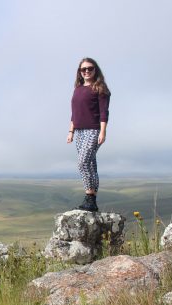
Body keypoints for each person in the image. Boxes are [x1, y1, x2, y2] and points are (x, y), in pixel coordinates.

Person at [67, 57, 111, 212]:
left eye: (90, 68)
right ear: (79, 72)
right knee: (91, 163)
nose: (86, 71)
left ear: (95, 70)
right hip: (78, 131)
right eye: (83, 69)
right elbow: (75, 113)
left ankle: (89, 195)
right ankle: (92, 201)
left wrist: (103, 132)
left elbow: (104, 113)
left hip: (93, 130)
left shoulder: (100, 88)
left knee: (82, 162)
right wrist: (71, 131)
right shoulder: (77, 89)